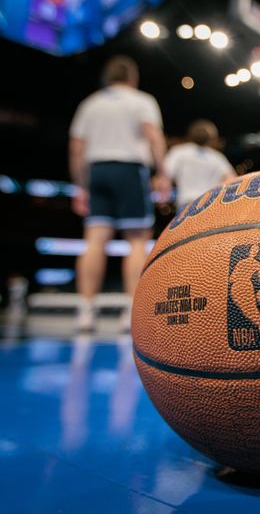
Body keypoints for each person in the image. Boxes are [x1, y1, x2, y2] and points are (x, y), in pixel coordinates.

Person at [69, 55, 170, 333]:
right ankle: (131, 312)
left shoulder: (90, 104)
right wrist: (162, 173)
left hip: (97, 170)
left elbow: (77, 149)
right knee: (137, 242)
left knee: (94, 241)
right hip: (129, 170)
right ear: (132, 78)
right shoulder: (142, 101)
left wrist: (81, 186)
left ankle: (86, 313)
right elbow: (153, 136)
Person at [165, 119, 235, 210]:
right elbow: (231, 180)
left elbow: (165, 175)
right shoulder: (217, 157)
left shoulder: (179, 152)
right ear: (211, 138)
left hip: (187, 203)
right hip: (210, 204)